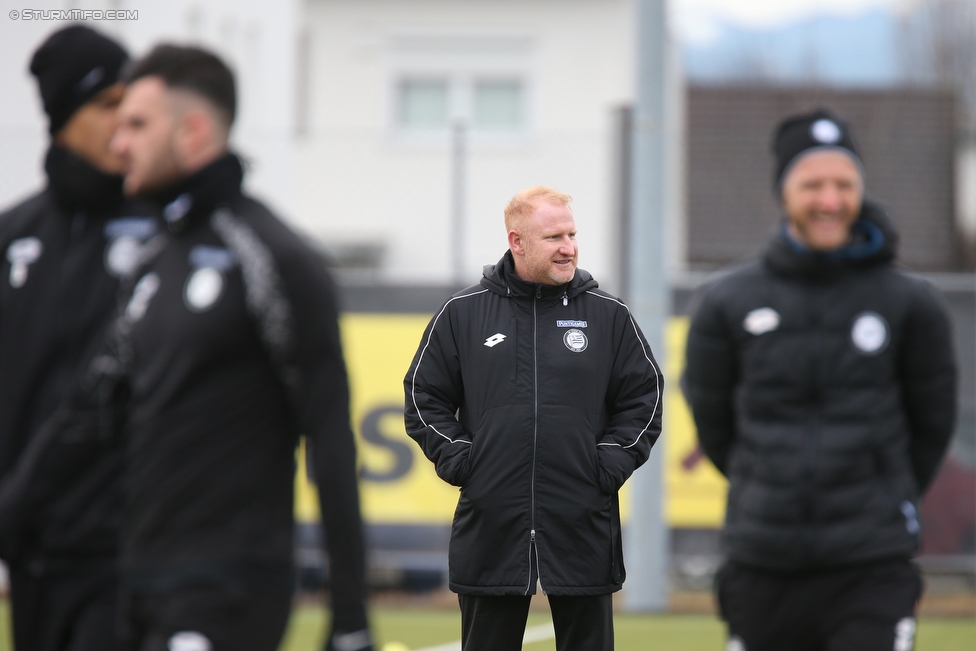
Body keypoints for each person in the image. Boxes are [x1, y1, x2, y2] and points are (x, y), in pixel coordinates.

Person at [8, 44, 374, 651]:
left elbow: (331, 441)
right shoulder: (153, 261)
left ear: (195, 132)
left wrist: (351, 616)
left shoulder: (274, 258)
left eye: (137, 125)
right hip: (139, 586)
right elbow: (84, 415)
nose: (120, 142)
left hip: (227, 589)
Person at [683, 108, 958, 651]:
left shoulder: (911, 303)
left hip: (871, 565)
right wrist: (766, 480)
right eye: (813, 184)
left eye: (844, 184)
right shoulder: (726, 302)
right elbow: (716, 426)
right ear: (783, 193)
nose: (829, 200)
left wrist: (884, 491)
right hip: (762, 561)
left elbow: (932, 424)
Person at [404, 186, 664, 651]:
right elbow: (424, 397)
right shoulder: (462, 314)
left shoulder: (608, 315)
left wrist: (605, 465)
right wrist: (465, 460)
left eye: (572, 234)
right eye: (553, 237)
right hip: (492, 521)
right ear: (517, 242)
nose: (568, 247)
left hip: (582, 519)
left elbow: (644, 398)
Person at [0, 25, 158, 651]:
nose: (125, 122)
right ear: (63, 116)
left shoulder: (164, 235)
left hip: (130, 551)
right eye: (105, 104)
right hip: (32, 550)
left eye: (132, 102)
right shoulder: (15, 237)